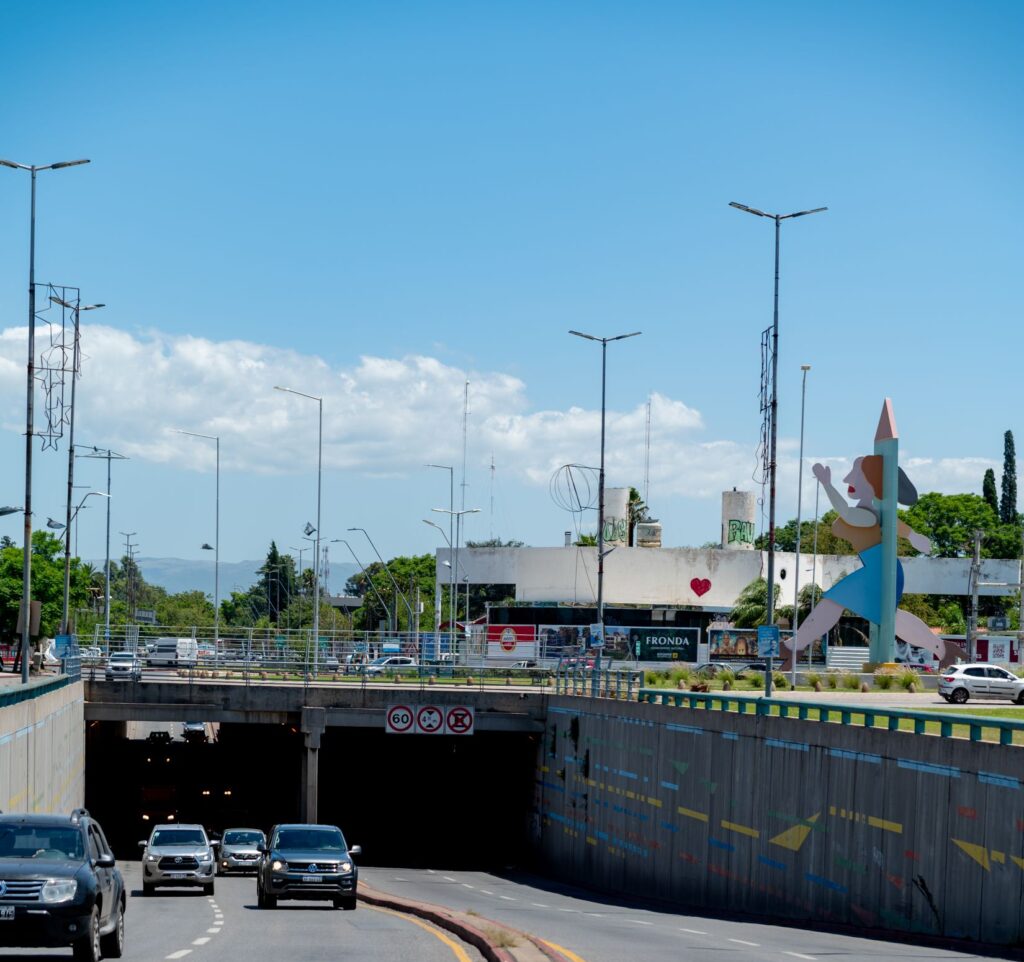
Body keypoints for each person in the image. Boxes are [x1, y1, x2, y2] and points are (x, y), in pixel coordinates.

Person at [782, 456, 959, 668]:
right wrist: (913, 537)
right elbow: (893, 523)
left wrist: (827, 484)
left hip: (880, 569)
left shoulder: (868, 516)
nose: (847, 479)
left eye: (855, 474)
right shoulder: (874, 512)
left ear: (870, 480)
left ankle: (795, 646)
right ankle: (942, 648)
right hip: (879, 568)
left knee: (835, 601)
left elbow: (847, 513)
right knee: (892, 618)